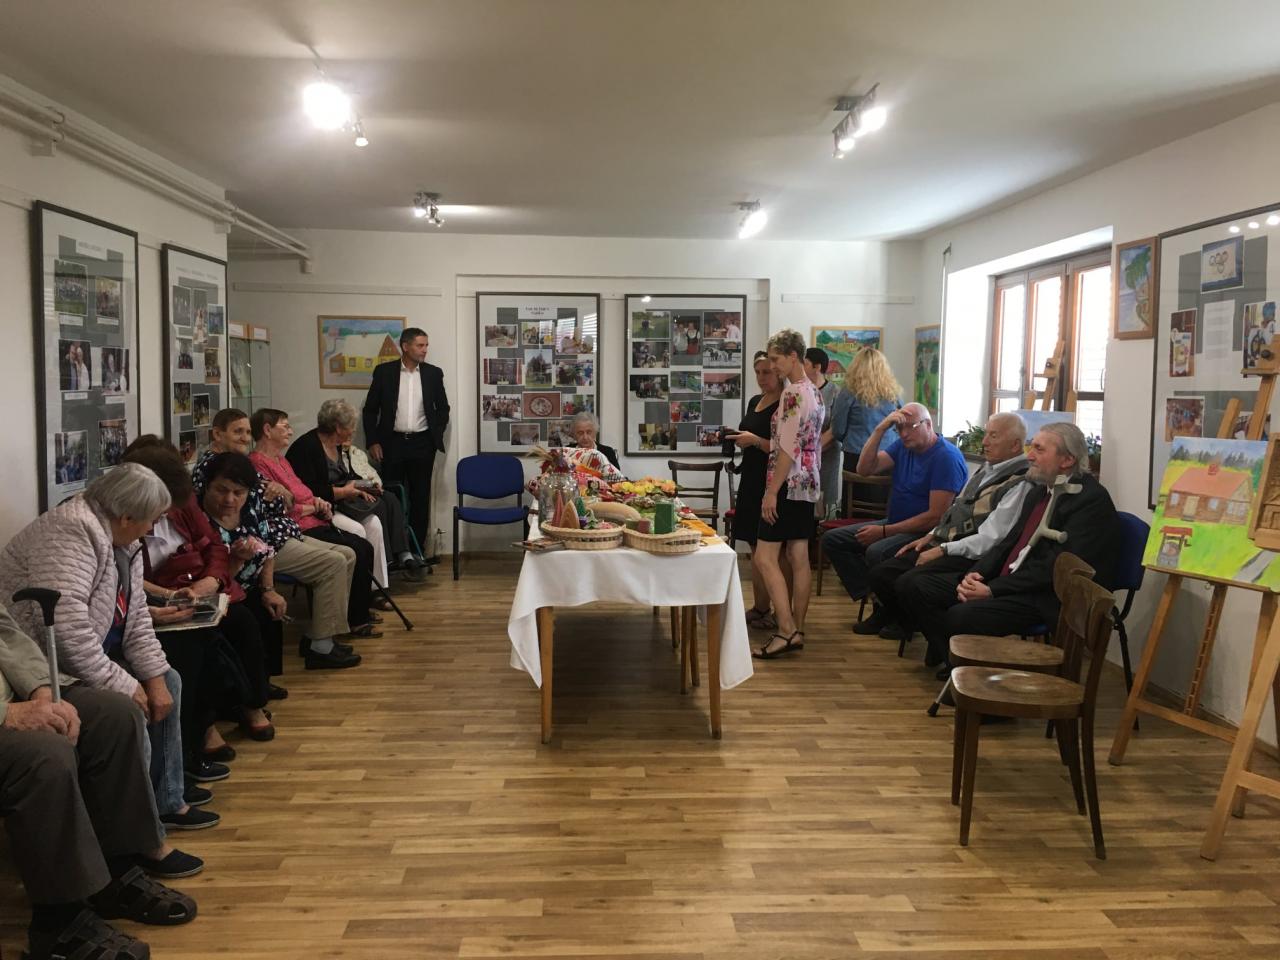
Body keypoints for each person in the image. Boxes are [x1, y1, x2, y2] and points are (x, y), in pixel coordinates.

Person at [0, 464, 220, 835]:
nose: (151, 529)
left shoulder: (123, 539)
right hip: (45, 664)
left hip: (94, 650)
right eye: (150, 520)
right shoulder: (69, 532)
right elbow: (68, 636)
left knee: (168, 680)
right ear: (126, 516)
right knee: (127, 708)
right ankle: (140, 828)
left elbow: (135, 617)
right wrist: (125, 684)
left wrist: (152, 677)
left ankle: (167, 800)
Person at [0, 605, 203, 960]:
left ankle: (116, 872)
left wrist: (41, 689)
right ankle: (58, 922)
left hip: (13, 694)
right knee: (45, 756)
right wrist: (8, 714)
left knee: (114, 716)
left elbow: (6, 632)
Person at [895, 423, 1118, 670]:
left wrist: (992, 589)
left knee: (961, 616)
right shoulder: (1041, 491)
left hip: (1043, 594)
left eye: (1039, 450)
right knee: (914, 585)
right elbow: (1010, 542)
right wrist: (977, 574)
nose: (1029, 456)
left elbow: (1055, 568)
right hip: (1010, 580)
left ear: (1067, 460)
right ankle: (955, 662)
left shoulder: (1090, 501)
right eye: (1031, 447)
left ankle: (966, 672)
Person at [124, 438, 282, 751]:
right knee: (200, 641)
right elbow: (130, 575)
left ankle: (251, 704)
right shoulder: (129, 519)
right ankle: (205, 725)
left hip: (198, 588)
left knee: (244, 622)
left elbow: (214, 546)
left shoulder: (183, 506)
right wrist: (169, 595)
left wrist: (210, 581)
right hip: (160, 598)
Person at [193, 409, 361, 670]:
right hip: (262, 544)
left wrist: (282, 494)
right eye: (238, 432)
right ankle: (321, 646)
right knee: (335, 562)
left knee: (348, 554)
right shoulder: (213, 469)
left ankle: (320, 635)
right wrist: (279, 497)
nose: (245, 438)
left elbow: (288, 499)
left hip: (281, 532)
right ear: (217, 434)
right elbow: (256, 511)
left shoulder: (240, 462)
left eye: (247, 432)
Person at [861, 412, 1030, 641]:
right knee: (881, 574)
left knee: (906, 583)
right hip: (944, 540)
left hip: (970, 556)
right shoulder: (988, 468)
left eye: (993, 436)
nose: (984, 442)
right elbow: (955, 509)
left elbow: (991, 539)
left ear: (1015, 445)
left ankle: (944, 645)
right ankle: (907, 621)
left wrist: (941, 549)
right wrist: (931, 536)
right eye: (986, 434)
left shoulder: (1020, 482)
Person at [821, 402, 968, 613]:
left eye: (910, 427)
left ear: (928, 424)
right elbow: (864, 469)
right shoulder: (903, 447)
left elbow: (935, 517)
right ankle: (878, 597)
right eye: (899, 428)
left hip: (924, 533)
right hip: (895, 523)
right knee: (832, 540)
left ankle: (886, 608)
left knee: (876, 551)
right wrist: (880, 429)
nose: (904, 433)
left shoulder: (946, 457)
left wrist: (884, 531)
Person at [249, 408, 380, 641]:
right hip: (297, 525)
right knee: (357, 549)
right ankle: (350, 621)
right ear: (267, 430)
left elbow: (302, 491)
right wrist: (314, 507)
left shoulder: (281, 459)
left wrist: (317, 501)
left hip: (313, 517)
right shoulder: (258, 464)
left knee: (362, 547)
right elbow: (281, 506)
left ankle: (353, 614)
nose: (290, 431)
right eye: (285, 426)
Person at [287, 398, 424, 587]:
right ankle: (359, 587)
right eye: (350, 426)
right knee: (360, 528)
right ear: (338, 427)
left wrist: (364, 486)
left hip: (341, 503)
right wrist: (345, 492)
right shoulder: (306, 447)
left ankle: (377, 587)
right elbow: (309, 491)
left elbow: (346, 476)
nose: (353, 431)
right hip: (321, 510)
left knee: (375, 521)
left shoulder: (336, 445)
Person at [751, 330, 825, 659]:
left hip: (787, 483)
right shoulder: (814, 391)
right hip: (807, 483)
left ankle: (785, 629)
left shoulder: (793, 393)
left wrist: (771, 492)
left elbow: (786, 448)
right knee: (798, 555)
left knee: (765, 557)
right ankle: (797, 627)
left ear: (793, 356)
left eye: (776, 359)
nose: (773, 365)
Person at [362, 327, 450, 555]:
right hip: (391, 444)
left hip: (422, 444)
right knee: (391, 497)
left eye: (426, 345)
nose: (425, 350)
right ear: (405, 346)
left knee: (420, 498)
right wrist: (373, 441)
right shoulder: (384, 372)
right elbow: (370, 410)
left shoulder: (433, 374)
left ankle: (416, 551)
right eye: (420, 345)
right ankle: (395, 552)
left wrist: (435, 434)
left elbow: (443, 409)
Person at [728, 351, 783, 629]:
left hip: (770, 478)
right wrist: (740, 439)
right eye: (757, 372)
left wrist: (755, 441)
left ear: (778, 372)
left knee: (769, 550)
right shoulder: (755, 401)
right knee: (752, 543)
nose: (761, 378)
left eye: (766, 372)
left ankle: (778, 610)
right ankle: (761, 606)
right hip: (750, 477)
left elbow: (787, 448)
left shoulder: (785, 404)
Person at [830, 347, 901, 476]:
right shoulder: (893, 394)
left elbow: (838, 430)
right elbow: (902, 423)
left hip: (856, 453)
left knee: (855, 487)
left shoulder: (848, 393)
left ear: (856, 367)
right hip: (888, 453)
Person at [804, 347, 842, 519]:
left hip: (826, 457)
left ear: (817, 367)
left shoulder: (835, 392)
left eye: (805, 364)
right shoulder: (802, 390)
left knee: (823, 507)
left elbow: (835, 428)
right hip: (804, 460)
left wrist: (813, 449)